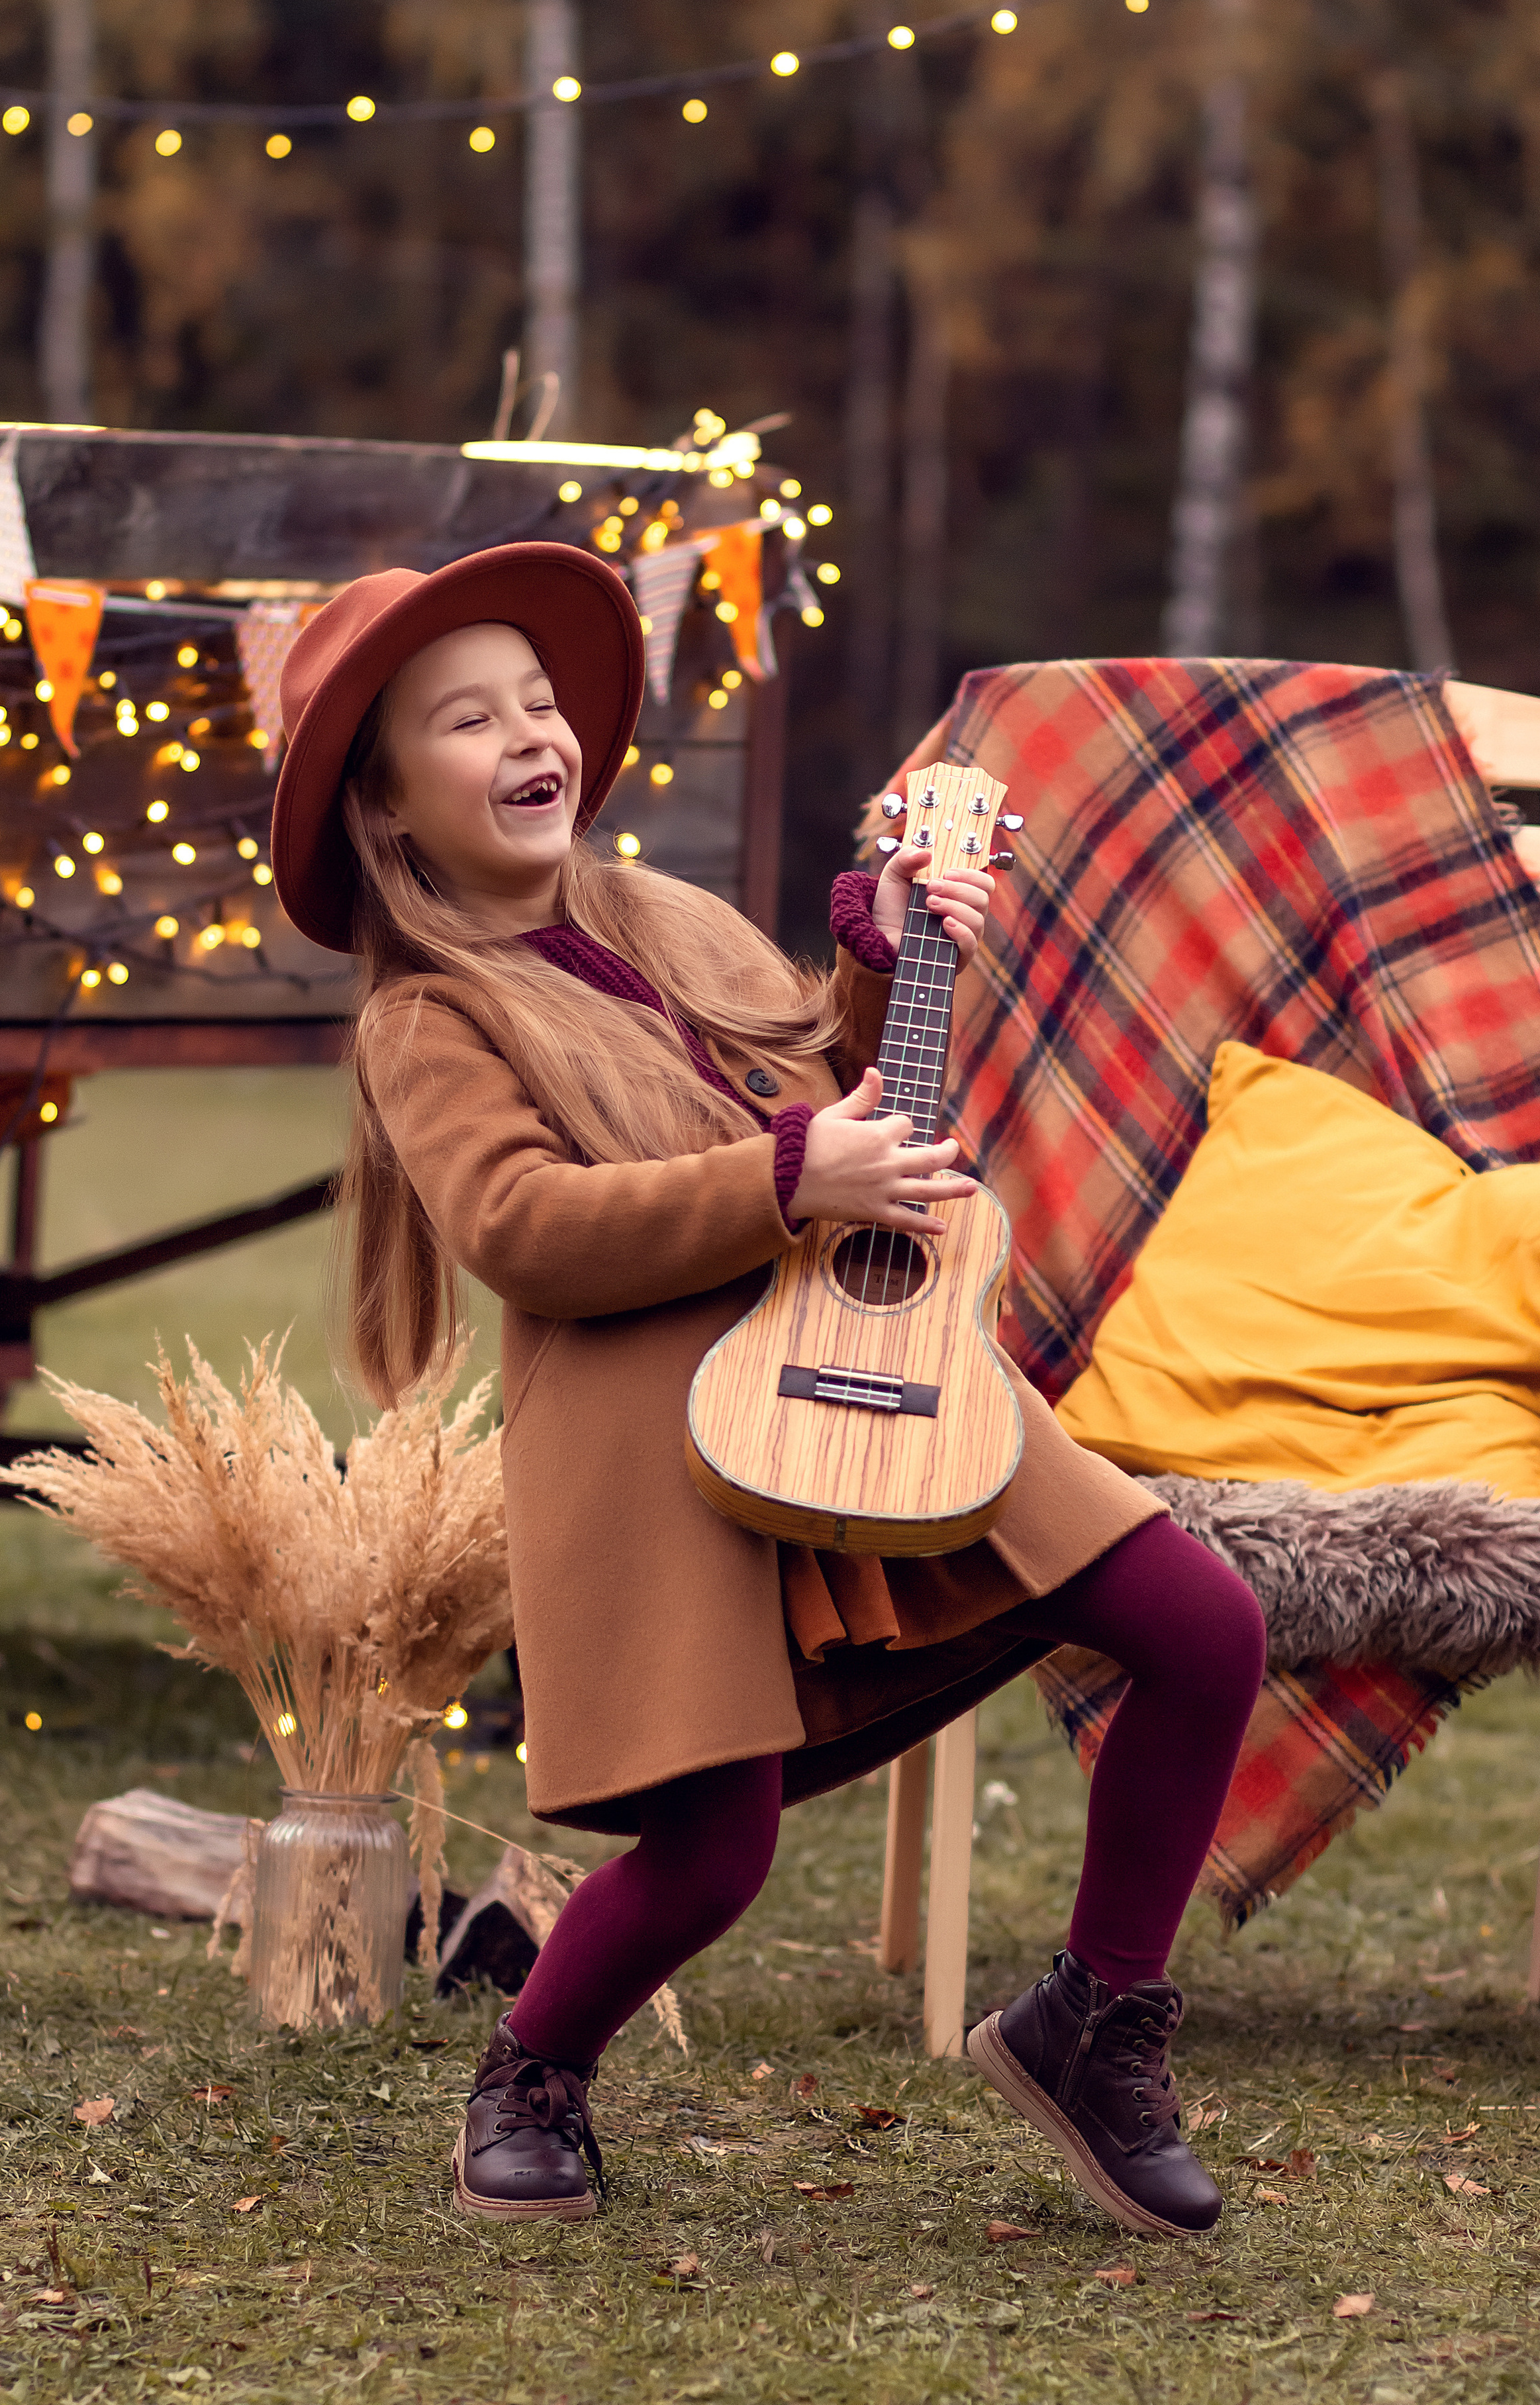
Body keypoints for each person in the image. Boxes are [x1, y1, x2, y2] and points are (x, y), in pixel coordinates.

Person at [271, 540, 1267, 2240]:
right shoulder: (429, 1018)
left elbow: (825, 1081)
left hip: (868, 1362)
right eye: (464, 719)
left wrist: (880, 958)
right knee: (713, 1856)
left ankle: (1094, 2022)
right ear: (385, 807)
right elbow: (522, 1229)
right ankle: (532, 2070)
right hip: (650, 1440)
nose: (529, 735)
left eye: (536, 703)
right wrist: (787, 1172)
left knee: (1202, 1625)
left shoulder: (660, 910)